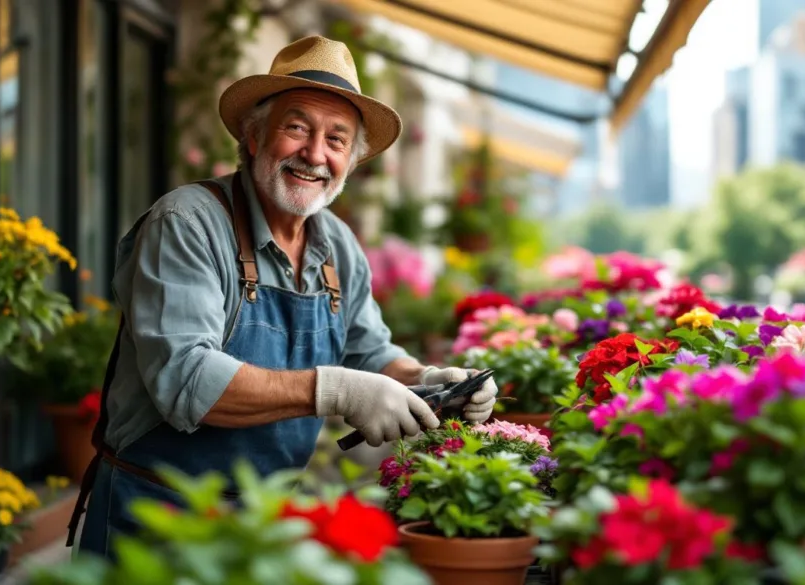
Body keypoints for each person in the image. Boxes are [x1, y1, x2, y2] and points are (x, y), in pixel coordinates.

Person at [66, 35, 498, 559]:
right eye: (297, 127)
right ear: (254, 136)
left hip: (265, 526)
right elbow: (185, 380)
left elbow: (370, 354)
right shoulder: (187, 223)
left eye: (337, 139)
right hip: (154, 521)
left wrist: (430, 380)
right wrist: (338, 391)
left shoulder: (337, 244)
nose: (315, 154)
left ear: (352, 161)